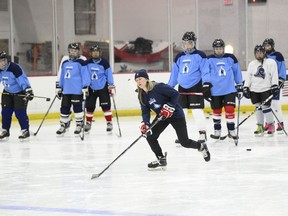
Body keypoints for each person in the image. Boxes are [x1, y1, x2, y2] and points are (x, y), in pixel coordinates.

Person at [135, 69, 210, 170]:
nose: (138, 82)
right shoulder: (141, 95)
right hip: (162, 117)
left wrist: (169, 106)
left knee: (184, 142)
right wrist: (146, 123)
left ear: (146, 79)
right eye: (136, 80)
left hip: (176, 115)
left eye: (140, 79)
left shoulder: (158, 87)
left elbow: (175, 94)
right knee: (150, 136)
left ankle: (201, 147)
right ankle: (161, 158)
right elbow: (145, 111)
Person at [168, 31, 209, 143]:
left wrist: (206, 83)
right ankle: (182, 136)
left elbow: (205, 71)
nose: (187, 45)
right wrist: (170, 86)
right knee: (181, 112)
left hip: (195, 87)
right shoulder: (179, 56)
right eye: (185, 43)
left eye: (190, 43)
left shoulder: (200, 55)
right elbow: (175, 74)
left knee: (197, 111)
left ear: (194, 43)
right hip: (182, 88)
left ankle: (202, 133)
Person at [203, 39, 243, 141]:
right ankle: (217, 131)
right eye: (216, 48)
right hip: (215, 90)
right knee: (216, 111)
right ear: (214, 49)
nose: (219, 50)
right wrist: (206, 85)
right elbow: (206, 72)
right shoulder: (209, 59)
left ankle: (231, 131)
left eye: (220, 48)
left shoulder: (231, 58)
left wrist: (239, 86)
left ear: (223, 49)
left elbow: (237, 72)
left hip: (229, 89)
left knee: (229, 109)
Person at [243, 45, 278, 136]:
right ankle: (260, 126)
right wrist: (246, 87)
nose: (259, 54)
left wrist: (274, 85)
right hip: (254, 90)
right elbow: (249, 77)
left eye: (260, 52)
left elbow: (274, 75)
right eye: (257, 53)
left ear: (264, 53)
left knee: (266, 108)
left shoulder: (270, 62)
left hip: (266, 89)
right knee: (258, 108)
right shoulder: (252, 64)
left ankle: (271, 125)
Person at [56, 43, 90, 135]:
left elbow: (85, 75)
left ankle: (79, 124)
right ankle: (63, 125)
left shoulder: (81, 62)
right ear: (68, 51)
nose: (73, 52)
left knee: (77, 108)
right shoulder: (65, 62)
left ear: (78, 52)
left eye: (75, 51)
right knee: (64, 108)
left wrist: (85, 86)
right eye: (71, 51)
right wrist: (59, 87)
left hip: (77, 90)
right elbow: (62, 76)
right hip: (66, 90)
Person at [0, 51, 34, 141]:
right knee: (5, 112)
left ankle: (25, 130)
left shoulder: (14, 68)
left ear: (6, 60)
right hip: (7, 93)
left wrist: (28, 90)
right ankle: (5, 130)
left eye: (3, 60)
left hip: (19, 93)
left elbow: (22, 79)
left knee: (20, 112)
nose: (1, 63)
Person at [83, 45, 115, 133]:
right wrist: (84, 85)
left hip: (103, 87)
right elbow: (85, 74)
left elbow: (109, 74)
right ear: (91, 53)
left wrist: (111, 85)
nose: (95, 53)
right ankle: (88, 123)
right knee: (89, 107)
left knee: (106, 106)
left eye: (97, 52)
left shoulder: (104, 62)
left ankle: (109, 122)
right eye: (94, 52)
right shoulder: (87, 63)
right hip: (91, 88)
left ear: (100, 53)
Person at [262, 38, 286, 133]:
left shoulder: (278, 55)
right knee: (266, 104)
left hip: (275, 83)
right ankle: (269, 122)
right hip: (265, 84)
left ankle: (280, 123)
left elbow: (282, 68)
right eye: (265, 46)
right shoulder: (262, 56)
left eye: (268, 46)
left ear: (272, 46)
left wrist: (281, 80)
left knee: (275, 104)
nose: (267, 47)